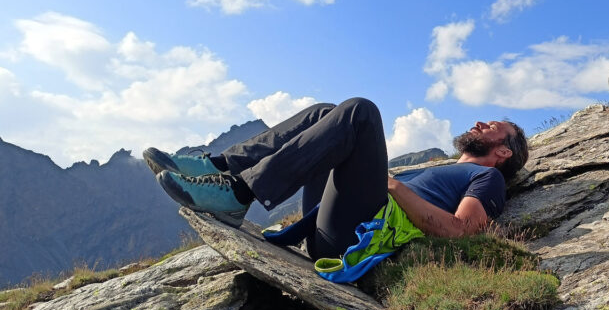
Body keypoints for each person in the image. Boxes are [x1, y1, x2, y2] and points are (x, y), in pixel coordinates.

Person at [143, 98, 528, 261]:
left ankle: (238, 194)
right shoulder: (441, 166)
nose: (479, 123)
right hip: (334, 223)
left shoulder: (486, 178)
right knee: (327, 113)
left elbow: (462, 231)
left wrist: (392, 185)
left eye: (491, 126)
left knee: (360, 113)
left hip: (362, 235)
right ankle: (220, 167)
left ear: (504, 152)